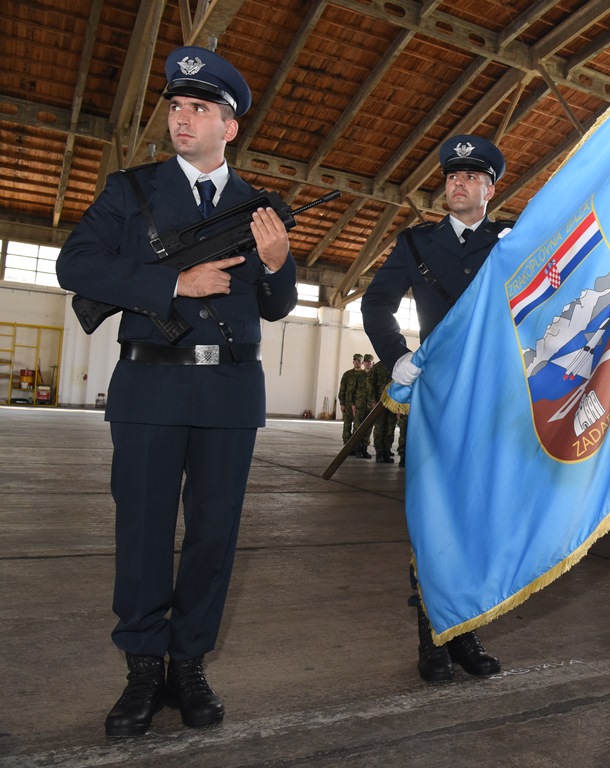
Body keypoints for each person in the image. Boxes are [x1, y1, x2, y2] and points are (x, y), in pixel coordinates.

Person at [56, 46, 297, 738]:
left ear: (230, 127)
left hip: (229, 390)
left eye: (198, 109)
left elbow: (277, 305)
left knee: (213, 538)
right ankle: (141, 670)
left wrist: (279, 265)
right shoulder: (130, 193)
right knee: (143, 533)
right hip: (150, 383)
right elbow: (77, 262)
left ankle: (188, 664)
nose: (180, 119)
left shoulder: (262, 208)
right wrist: (171, 285)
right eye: (175, 106)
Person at [362, 134, 510, 682]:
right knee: (435, 514)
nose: (457, 184)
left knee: (480, 514)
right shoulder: (416, 243)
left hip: (495, 394)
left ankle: (467, 632)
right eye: (451, 176)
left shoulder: (510, 243)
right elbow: (375, 300)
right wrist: (396, 354)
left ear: (490, 188)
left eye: (470, 177)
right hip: (438, 395)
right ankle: (432, 638)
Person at [368, 356, 399, 463]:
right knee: (379, 427)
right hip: (380, 402)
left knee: (390, 428)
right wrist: (373, 400)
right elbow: (371, 384)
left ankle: (387, 451)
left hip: (393, 402)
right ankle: (379, 453)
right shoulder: (377, 367)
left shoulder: (397, 365)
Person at [339, 353, 365, 448]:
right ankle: (347, 446)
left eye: (359, 361)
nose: (357, 362)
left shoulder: (364, 375)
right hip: (347, 404)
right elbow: (342, 389)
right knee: (347, 425)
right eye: (355, 360)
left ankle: (355, 445)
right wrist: (342, 403)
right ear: (353, 362)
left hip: (359, 405)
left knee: (358, 426)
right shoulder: (347, 374)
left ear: (362, 362)